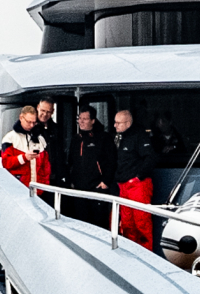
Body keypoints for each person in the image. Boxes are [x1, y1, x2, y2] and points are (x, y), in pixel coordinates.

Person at [113, 108, 155, 251]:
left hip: (138, 186)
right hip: (124, 186)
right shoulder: (120, 137)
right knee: (127, 224)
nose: (115, 125)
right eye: (115, 122)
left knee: (142, 223)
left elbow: (150, 158)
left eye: (118, 123)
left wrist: (138, 178)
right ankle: (132, 255)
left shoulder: (140, 136)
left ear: (128, 123)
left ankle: (147, 256)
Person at [65, 106, 115, 223]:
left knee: (98, 223)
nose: (81, 122)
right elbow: (71, 162)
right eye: (79, 118)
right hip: (79, 189)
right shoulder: (76, 139)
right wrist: (71, 180)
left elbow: (112, 161)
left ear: (93, 120)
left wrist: (106, 181)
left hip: (97, 188)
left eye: (85, 119)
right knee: (81, 222)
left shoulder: (104, 138)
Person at [0, 103, 51, 188]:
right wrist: (24, 158)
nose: (31, 125)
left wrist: (44, 185)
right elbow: (6, 163)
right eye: (29, 122)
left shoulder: (40, 139)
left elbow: (46, 167)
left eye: (34, 122)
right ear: (21, 118)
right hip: (18, 188)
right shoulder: (10, 138)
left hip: (38, 190)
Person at [34, 98, 62, 185]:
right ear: (38, 107)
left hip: (53, 176)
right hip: (37, 176)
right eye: (43, 110)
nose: (45, 114)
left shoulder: (56, 129)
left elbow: (60, 153)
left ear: (53, 111)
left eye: (48, 112)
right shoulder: (31, 128)